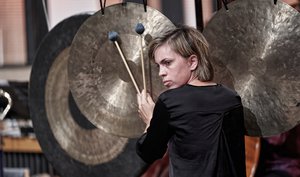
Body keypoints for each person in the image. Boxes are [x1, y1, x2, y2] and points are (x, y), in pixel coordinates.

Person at [136, 25, 246, 177]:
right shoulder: (232, 98)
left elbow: (149, 153)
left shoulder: (170, 102)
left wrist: (150, 121)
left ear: (192, 61)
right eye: (158, 66)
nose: (161, 73)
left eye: (167, 63)